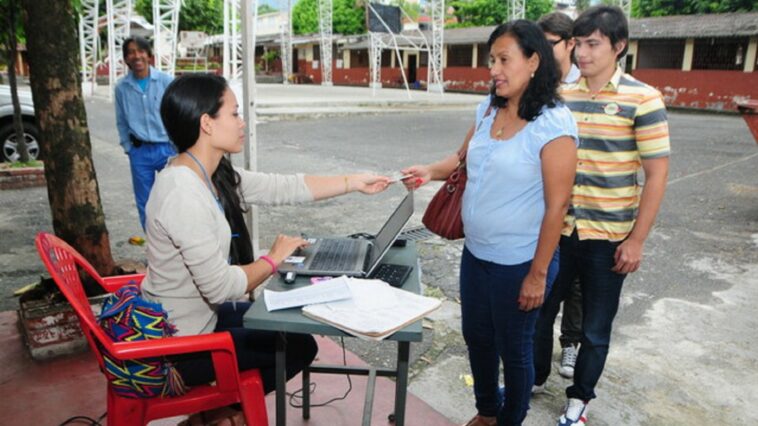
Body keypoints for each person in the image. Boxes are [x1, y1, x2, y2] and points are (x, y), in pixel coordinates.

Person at [140, 73, 390, 424]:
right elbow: (221, 286)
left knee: (293, 334)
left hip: (201, 320)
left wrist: (353, 182)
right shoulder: (182, 192)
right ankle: (225, 410)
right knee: (298, 347)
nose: (243, 123)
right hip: (179, 345)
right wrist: (273, 259)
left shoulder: (208, 173)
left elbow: (280, 187)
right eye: (235, 114)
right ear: (207, 123)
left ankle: (223, 408)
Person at [402, 20, 577, 426]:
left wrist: (537, 275)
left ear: (534, 61)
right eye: (491, 60)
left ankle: (511, 419)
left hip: (519, 263)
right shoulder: (488, 109)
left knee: (514, 349)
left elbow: (557, 207)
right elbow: (461, 161)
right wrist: (428, 170)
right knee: (478, 339)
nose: (494, 69)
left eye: (504, 59)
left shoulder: (554, 124)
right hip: (477, 256)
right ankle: (486, 411)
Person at [555, 6, 670, 426]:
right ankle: (528, 378)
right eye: (577, 44)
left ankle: (579, 400)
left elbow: (656, 175)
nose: (581, 53)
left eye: (592, 44)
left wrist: (636, 240)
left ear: (618, 47)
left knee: (596, 329)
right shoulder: (562, 95)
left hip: (609, 237)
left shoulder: (643, 98)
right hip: (559, 230)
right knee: (537, 310)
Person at [533, 11, 584, 389]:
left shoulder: (587, 88)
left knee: (578, 290)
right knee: (543, 295)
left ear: (570, 43)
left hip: (586, 214)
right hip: (549, 211)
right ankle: (535, 373)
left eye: (550, 44)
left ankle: (571, 344)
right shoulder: (537, 87)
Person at [115, 36, 176, 230]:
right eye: (131, 52)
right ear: (126, 59)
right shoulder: (122, 88)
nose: (136, 56)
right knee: (146, 203)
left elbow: (177, 112)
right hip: (139, 152)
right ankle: (154, 248)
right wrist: (128, 147)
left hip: (168, 149)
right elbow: (121, 120)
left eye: (140, 51)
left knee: (174, 197)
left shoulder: (166, 81)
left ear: (149, 56)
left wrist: (178, 144)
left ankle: (177, 242)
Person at [538, 12, 581, 84]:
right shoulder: (533, 81)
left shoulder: (583, 84)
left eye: (550, 43)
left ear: (570, 44)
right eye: (541, 43)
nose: (544, 49)